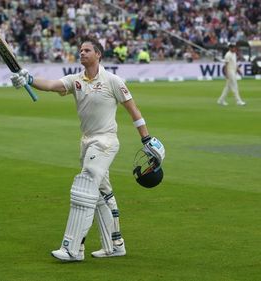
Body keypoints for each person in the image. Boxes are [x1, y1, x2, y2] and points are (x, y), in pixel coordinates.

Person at [10, 36, 165, 262]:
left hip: (106, 141)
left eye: (87, 50)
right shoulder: (76, 80)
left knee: (84, 185)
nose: (82, 53)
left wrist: (146, 139)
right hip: (87, 142)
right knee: (102, 193)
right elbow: (53, 86)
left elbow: (134, 110)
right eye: (80, 50)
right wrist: (29, 79)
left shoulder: (113, 80)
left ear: (98, 54)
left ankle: (73, 249)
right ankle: (115, 244)